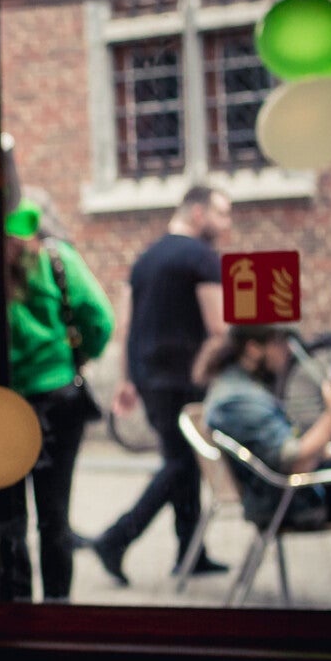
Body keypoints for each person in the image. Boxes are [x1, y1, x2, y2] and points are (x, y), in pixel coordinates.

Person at [91, 184, 232, 586]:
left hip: (149, 377)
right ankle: (116, 539)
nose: (227, 224)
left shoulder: (145, 259)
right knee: (181, 464)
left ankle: (190, 551)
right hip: (185, 379)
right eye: (222, 214)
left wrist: (125, 379)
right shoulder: (202, 258)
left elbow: (125, 326)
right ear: (199, 213)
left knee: (182, 462)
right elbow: (218, 327)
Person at [0, 194, 113, 602]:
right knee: (55, 516)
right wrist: (78, 355)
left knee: (11, 518)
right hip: (60, 398)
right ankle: (57, 608)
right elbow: (100, 319)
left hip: (4, 405)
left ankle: (18, 608)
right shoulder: (57, 259)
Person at [196, 324, 331, 533]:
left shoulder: (238, 387)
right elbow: (295, 460)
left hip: (284, 493)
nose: (287, 351)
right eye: (280, 343)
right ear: (254, 348)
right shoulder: (239, 400)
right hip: (290, 501)